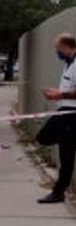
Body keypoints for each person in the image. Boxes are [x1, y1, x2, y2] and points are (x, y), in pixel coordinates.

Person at [37, 33, 76, 204]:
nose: (57, 52)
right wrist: (58, 92)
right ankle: (59, 190)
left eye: (58, 49)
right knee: (44, 138)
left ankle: (59, 191)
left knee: (66, 154)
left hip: (71, 114)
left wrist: (60, 94)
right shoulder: (69, 64)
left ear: (66, 47)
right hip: (64, 111)